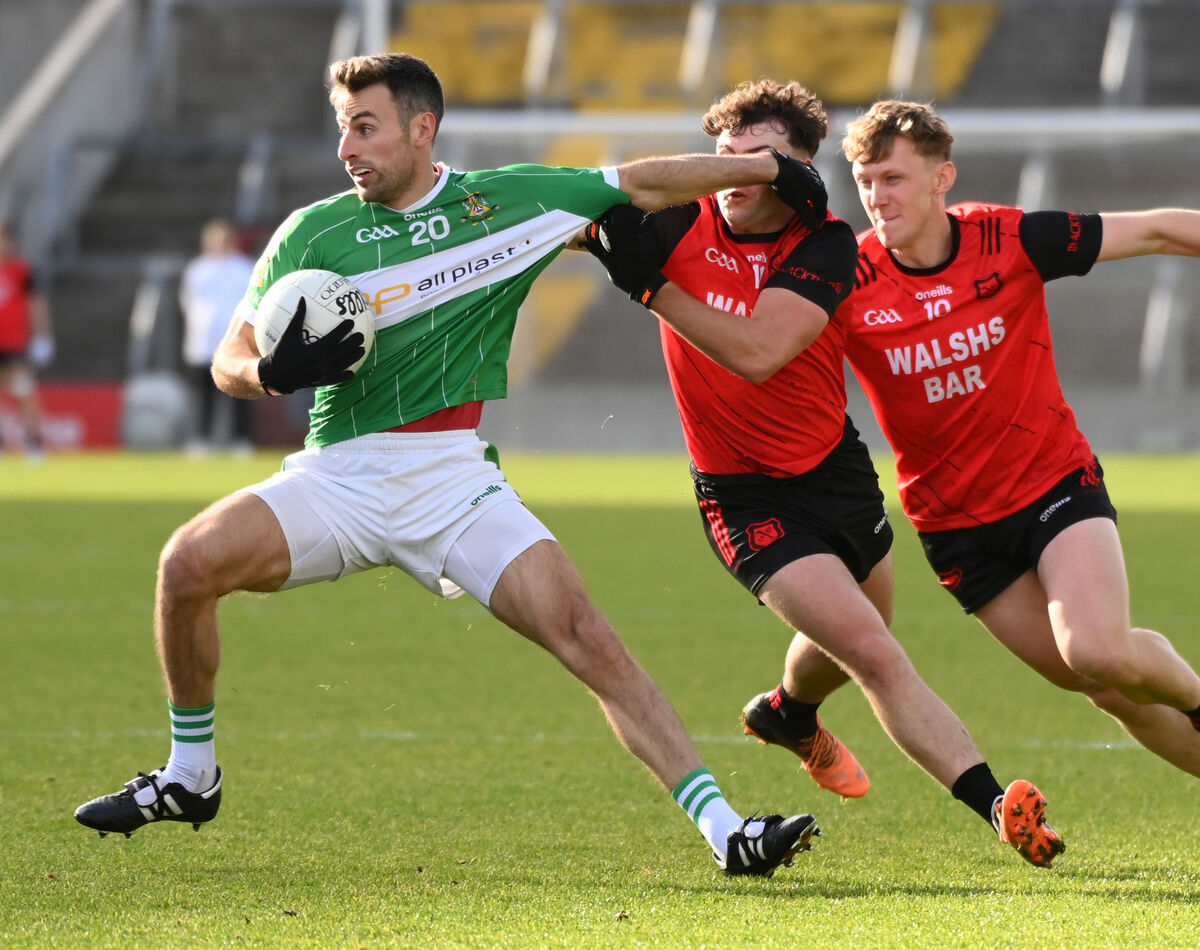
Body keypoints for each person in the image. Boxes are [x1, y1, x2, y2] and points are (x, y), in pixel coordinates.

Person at [73, 52, 844, 877]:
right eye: (343, 129)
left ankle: (725, 830)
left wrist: (763, 167)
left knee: (585, 634)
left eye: (365, 128)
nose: (347, 148)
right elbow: (232, 353)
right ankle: (192, 775)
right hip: (339, 475)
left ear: (421, 129)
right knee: (185, 565)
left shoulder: (510, 202)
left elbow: (640, 181)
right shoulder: (314, 232)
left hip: (453, 481)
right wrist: (265, 374)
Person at [581, 80, 1062, 867]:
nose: (732, 176)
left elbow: (759, 353)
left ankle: (787, 714)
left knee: (856, 636)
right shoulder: (678, 221)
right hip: (744, 499)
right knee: (873, 652)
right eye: (722, 159)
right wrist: (574, 231)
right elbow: (574, 214)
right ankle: (997, 805)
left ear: (798, 170)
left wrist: (650, 289)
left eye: (758, 162)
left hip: (834, 472)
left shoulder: (826, 243)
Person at [789, 98, 1200, 784]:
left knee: (1097, 650)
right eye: (864, 181)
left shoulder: (1007, 240)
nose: (875, 196)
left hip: (1054, 484)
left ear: (941, 178)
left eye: (892, 178)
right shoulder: (847, 278)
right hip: (957, 526)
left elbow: (1159, 229)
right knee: (1100, 685)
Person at [179, 218, 256, 454]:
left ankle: (241, 439)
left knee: (239, 392)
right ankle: (200, 439)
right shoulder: (197, 270)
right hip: (203, 342)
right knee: (203, 394)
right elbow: (188, 301)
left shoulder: (244, 268)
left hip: (235, 342)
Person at [0, 222, 54, 459]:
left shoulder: (23, 271)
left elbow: (37, 305)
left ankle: (33, 441)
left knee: (24, 390)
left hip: (15, 342)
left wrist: (42, 336)